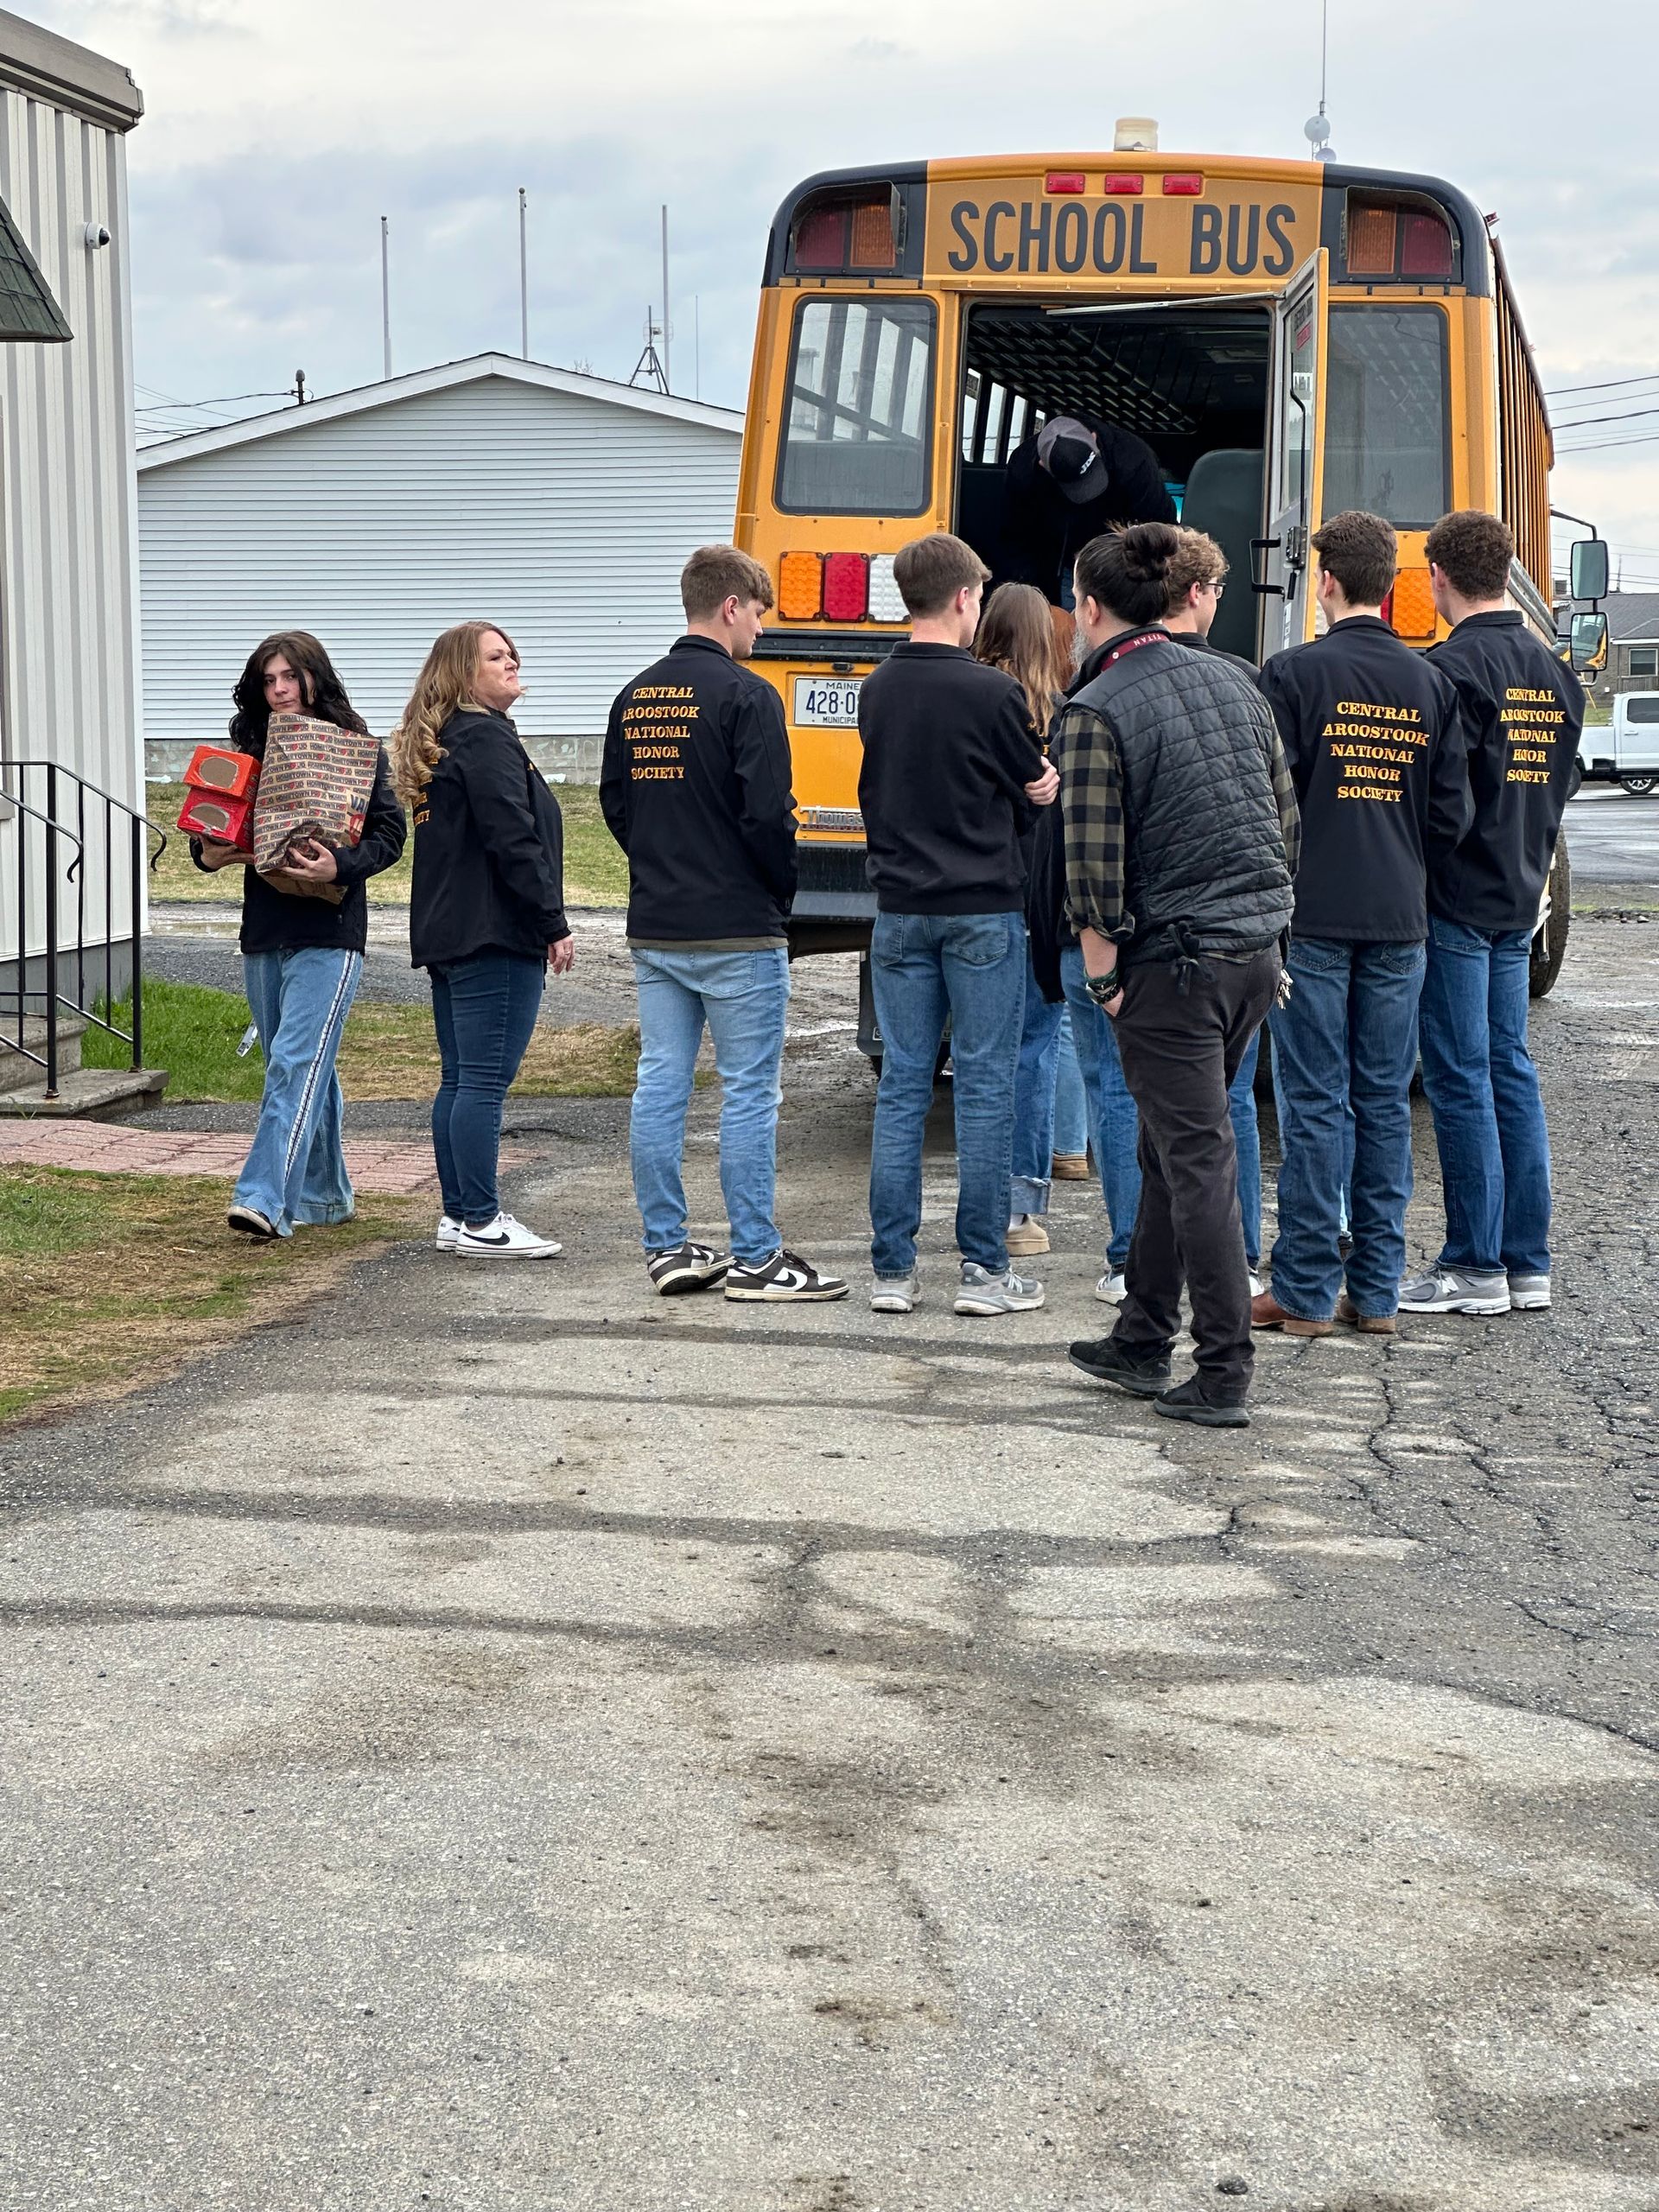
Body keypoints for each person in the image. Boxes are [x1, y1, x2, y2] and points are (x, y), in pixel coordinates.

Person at [1059, 523, 1298, 1427]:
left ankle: (1224, 1369)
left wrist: (1103, 979)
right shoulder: (1239, 681)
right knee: (1167, 1148)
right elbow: (1285, 821)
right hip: (1252, 952)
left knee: (1195, 1157)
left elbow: (1090, 870)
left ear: (1090, 606)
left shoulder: (1095, 707)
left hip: (1171, 963)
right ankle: (1142, 1332)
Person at [601, 545, 846, 1303]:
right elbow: (769, 813)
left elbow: (617, 802)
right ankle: (758, 1257)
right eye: (760, 612)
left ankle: (668, 1247)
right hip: (738, 926)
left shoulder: (634, 696)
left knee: (660, 1086)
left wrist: (658, 866)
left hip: (659, 924)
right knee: (748, 1093)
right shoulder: (747, 695)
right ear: (731, 606)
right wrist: (779, 894)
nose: (763, 630)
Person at [1255, 512, 1469, 1337]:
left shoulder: (1293, 676)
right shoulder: (1431, 684)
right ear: (1393, 587)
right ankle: (1375, 1293)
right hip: (1400, 919)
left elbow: (1270, 807)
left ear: (1329, 583)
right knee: (1382, 1103)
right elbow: (1451, 817)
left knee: (1314, 1103)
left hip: (1313, 917)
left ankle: (1304, 1291)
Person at [856, 531, 1058, 1317]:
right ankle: (981, 1270)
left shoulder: (877, 688)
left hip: (900, 911)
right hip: (982, 910)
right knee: (983, 1085)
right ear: (966, 598)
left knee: (903, 1085)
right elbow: (1031, 783)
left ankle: (892, 1272)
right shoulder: (993, 694)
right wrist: (1037, 790)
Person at [1399, 509, 1586, 1317]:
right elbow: (1562, 786)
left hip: (1458, 899)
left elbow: (1442, 804)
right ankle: (1527, 1262)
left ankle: (1474, 1263)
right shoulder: (1557, 675)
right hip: (1520, 894)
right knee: (1509, 1067)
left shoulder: (1450, 672)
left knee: (1459, 1076)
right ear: (1507, 572)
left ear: (1438, 576)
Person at [192, 631, 405, 1243]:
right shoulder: (248, 751)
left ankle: (262, 1198)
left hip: (330, 932)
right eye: (269, 680)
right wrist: (215, 855)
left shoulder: (357, 750)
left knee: (294, 1063)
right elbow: (206, 844)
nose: (281, 689)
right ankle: (327, 1194)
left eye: (290, 676)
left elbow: (390, 837)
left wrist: (337, 866)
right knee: (305, 1066)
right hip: (264, 929)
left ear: (316, 678)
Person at [393, 620, 572, 1260]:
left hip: (452, 935)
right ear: (464, 674)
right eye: (497, 656)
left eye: (512, 652)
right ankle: (481, 1220)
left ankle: (460, 1213)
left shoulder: (450, 741)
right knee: (482, 1086)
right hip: (495, 935)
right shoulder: (486, 739)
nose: (512, 661)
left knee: (461, 1079)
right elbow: (513, 840)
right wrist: (553, 922)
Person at [1161, 526, 1270, 1291]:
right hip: (1244, 936)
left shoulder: (1108, 691)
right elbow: (1281, 821)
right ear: (1198, 594)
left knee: (1156, 1128)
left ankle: (1147, 1294)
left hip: (1163, 943)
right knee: (1226, 1116)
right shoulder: (1247, 682)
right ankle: (1243, 1259)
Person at [972, 582, 1072, 1259]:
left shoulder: (971, 700)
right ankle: (1021, 1209)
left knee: (985, 1057)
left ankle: (984, 1207)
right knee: (1037, 1051)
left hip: (984, 894)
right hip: (1047, 899)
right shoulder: (1068, 715)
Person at [1003, 411, 1177, 608]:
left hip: (1128, 563)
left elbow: (1163, 528)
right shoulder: (1024, 471)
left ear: (1093, 438)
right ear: (1044, 465)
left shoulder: (1134, 460)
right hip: (1070, 564)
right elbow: (1017, 540)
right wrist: (1030, 593)